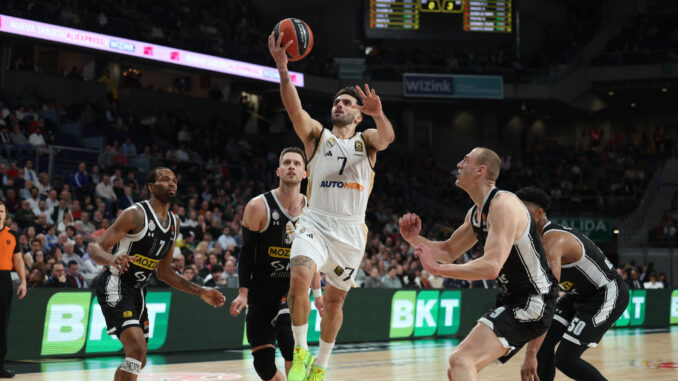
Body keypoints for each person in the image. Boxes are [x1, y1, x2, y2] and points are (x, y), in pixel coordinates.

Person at [269, 31, 395, 381]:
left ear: (359, 115)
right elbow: (294, 109)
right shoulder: (317, 137)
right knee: (298, 274)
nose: (338, 106)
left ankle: (321, 365)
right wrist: (283, 69)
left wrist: (380, 115)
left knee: (335, 304)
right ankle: (299, 351)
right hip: (316, 222)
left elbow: (386, 138)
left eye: (347, 104)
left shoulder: (366, 141)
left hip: (351, 231)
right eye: (336, 103)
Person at [399, 147, 558, 380]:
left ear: (480, 171)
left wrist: (437, 269)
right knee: (457, 370)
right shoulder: (476, 213)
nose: (459, 165)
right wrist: (413, 239)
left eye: (465, 161)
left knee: (461, 360)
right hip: (516, 298)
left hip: (534, 299)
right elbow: (449, 250)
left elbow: (491, 267)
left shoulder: (503, 205)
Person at [89, 167, 226, 381]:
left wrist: (201, 291)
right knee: (137, 349)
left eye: (174, 180)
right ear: (151, 187)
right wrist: (111, 258)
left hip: (139, 292)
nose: (172, 183)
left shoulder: (174, 223)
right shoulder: (134, 214)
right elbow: (94, 248)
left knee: (138, 359)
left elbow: (164, 272)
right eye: (165, 180)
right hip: (116, 284)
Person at [516, 187, 630, 381]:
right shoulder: (533, 242)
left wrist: (529, 354)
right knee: (543, 346)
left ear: (540, 213)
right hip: (578, 295)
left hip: (606, 293)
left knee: (566, 359)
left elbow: (547, 297)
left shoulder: (553, 241)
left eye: (522, 212)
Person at [230, 147, 323, 381]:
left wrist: (318, 293)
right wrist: (243, 293)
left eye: (297, 163)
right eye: (287, 163)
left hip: (292, 288)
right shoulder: (257, 206)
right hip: (260, 291)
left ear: (305, 173)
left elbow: (314, 258)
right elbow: (247, 253)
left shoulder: (314, 212)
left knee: (286, 331)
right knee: (263, 365)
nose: (292, 166)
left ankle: (301, 367)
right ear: (278, 171)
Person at [0, 201, 27, 378]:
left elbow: (18, 261)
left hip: (4, 280)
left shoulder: (12, 235)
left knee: (2, 325)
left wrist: (24, 282)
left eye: (1, 210)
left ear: (5, 214)